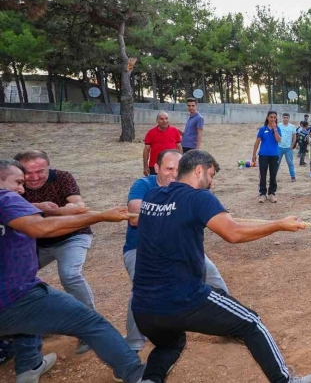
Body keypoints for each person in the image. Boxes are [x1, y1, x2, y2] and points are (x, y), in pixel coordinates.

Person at [131, 150, 311, 383]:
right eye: (210, 174)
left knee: (171, 344)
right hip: (184, 299)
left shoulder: (152, 197)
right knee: (251, 323)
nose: (211, 182)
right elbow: (233, 232)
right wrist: (278, 224)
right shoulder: (199, 198)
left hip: (143, 307)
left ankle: (149, 380)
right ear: (199, 170)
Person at [0, 159, 145, 383]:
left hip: (13, 295)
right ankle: (134, 373)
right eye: (18, 182)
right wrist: (100, 216)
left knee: (30, 319)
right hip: (12, 296)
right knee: (91, 322)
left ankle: (29, 367)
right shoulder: (5, 197)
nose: (22, 189)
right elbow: (39, 228)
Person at [123, 149, 229, 352]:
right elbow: (135, 213)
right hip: (142, 249)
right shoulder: (144, 185)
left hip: (180, 247)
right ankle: (134, 343)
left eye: (177, 169)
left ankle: (229, 323)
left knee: (212, 275)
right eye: (168, 168)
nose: (173, 173)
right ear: (156, 168)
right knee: (144, 287)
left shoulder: (191, 191)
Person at [14, 149, 94, 355]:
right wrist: (43, 207)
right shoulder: (14, 181)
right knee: (13, 277)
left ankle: (89, 328)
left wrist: (41, 210)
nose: (33, 178)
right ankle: (25, 327)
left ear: (49, 167)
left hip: (71, 236)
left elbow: (78, 207)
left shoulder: (62, 177)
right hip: (37, 242)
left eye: (39, 171)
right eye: (27, 173)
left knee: (70, 274)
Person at [252, 111, 282, 203]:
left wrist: (275, 129)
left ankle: (271, 193)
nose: (273, 119)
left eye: (274, 117)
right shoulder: (262, 129)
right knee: (263, 175)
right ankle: (262, 194)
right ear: (267, 118)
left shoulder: (278, 129)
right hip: (263, 155)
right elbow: (257, 142)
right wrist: (254, 154)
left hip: (274, 155)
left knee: (273, 175)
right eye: (271, 117)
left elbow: (278, 140)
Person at [143, 111, 182, 176]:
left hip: (172, 165)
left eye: (166, 118)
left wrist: (180, 162)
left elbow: (179, 147)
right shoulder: (151, 133)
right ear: (157, 120)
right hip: (155, 166)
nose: (164, 121)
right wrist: (145, 166)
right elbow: (146, 150)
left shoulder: (175, 131)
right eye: (161, 119)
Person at [277, 113, 297, 183]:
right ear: (282, 118)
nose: (286, 119)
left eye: (287, 118)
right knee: (276, 163)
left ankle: (293, 176)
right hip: (279, 147)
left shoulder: (292, 127)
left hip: (288, 148)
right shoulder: (278, 125)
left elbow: (294, 137)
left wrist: (292, 145)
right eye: (284, 117)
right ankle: (273, 176)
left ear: (289, 118)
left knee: (290, 162)